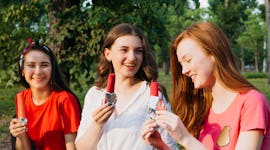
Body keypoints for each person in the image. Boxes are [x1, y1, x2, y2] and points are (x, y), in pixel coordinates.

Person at [141, 22, 270, 149]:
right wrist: (162, 146)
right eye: (181, 64)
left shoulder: (252, 102)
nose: (184, 71)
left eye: (188, 60)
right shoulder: (205, 108)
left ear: (213, 53)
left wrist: (186, 139)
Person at [75, 23, 178, 150]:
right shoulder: (95, 94)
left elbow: (170, 146)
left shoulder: (153, 95)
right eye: (124, 50)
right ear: (108, 54)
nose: (132, 57)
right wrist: (97, 124)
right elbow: (81, 148)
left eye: (138, 51)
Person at [9, 39, 81, 150]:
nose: (38, 72)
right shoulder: (21, 98)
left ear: (52, 69)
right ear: (23, 70)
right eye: (31, 65)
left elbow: (72, 146)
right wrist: (20, 136)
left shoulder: (64, 100)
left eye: (44, 65)